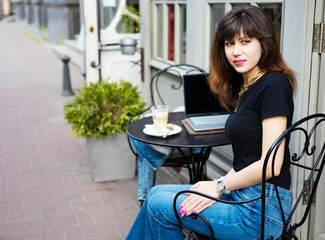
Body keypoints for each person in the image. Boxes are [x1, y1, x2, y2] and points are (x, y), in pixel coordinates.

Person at [126, 5, 297, 240]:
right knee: (155, 194)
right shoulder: (247, 86)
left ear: (264, 43)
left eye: (245, 41)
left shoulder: (273, 85)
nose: (236, 51)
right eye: (229, 43)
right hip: (243, 195)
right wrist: (216, 186)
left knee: (160, 207)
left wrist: (218, 186)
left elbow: (272, 164)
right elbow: (245, 159)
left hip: (261, 212)